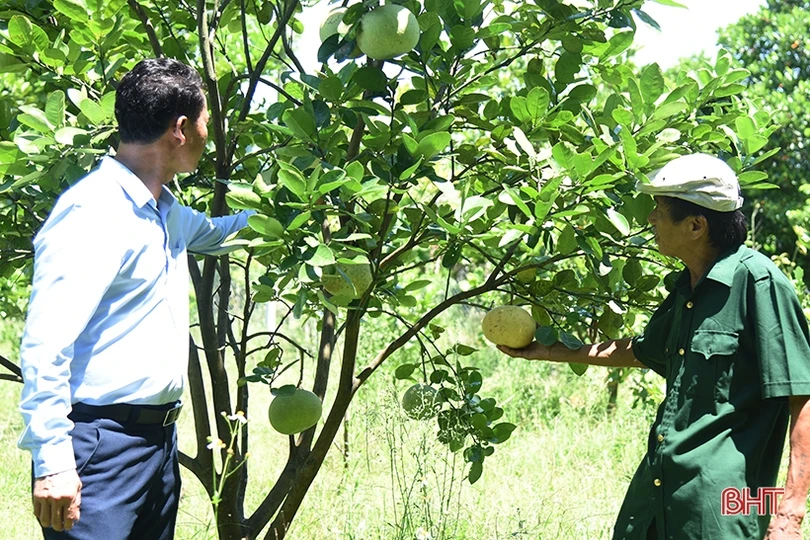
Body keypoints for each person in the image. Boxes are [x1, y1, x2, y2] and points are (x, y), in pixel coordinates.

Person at [500, 153, 810, 540]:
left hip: (721, 508)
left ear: (696, 225)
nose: (650, 219)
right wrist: (550, 350)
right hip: (658, 493)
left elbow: (803, 395)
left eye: (660, 211)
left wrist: (789, 514)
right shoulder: (687, 288)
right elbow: (642, 350)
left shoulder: (759, 283)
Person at [18, 58, 253, 539]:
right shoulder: (95, 212)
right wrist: (54, 461)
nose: (211, 134)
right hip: (99, 448)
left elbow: (226, 233)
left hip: (156, 444)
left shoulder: (165, 212)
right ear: (181, 129)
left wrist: (321, 210)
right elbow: (45, 344)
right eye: (208, 120)